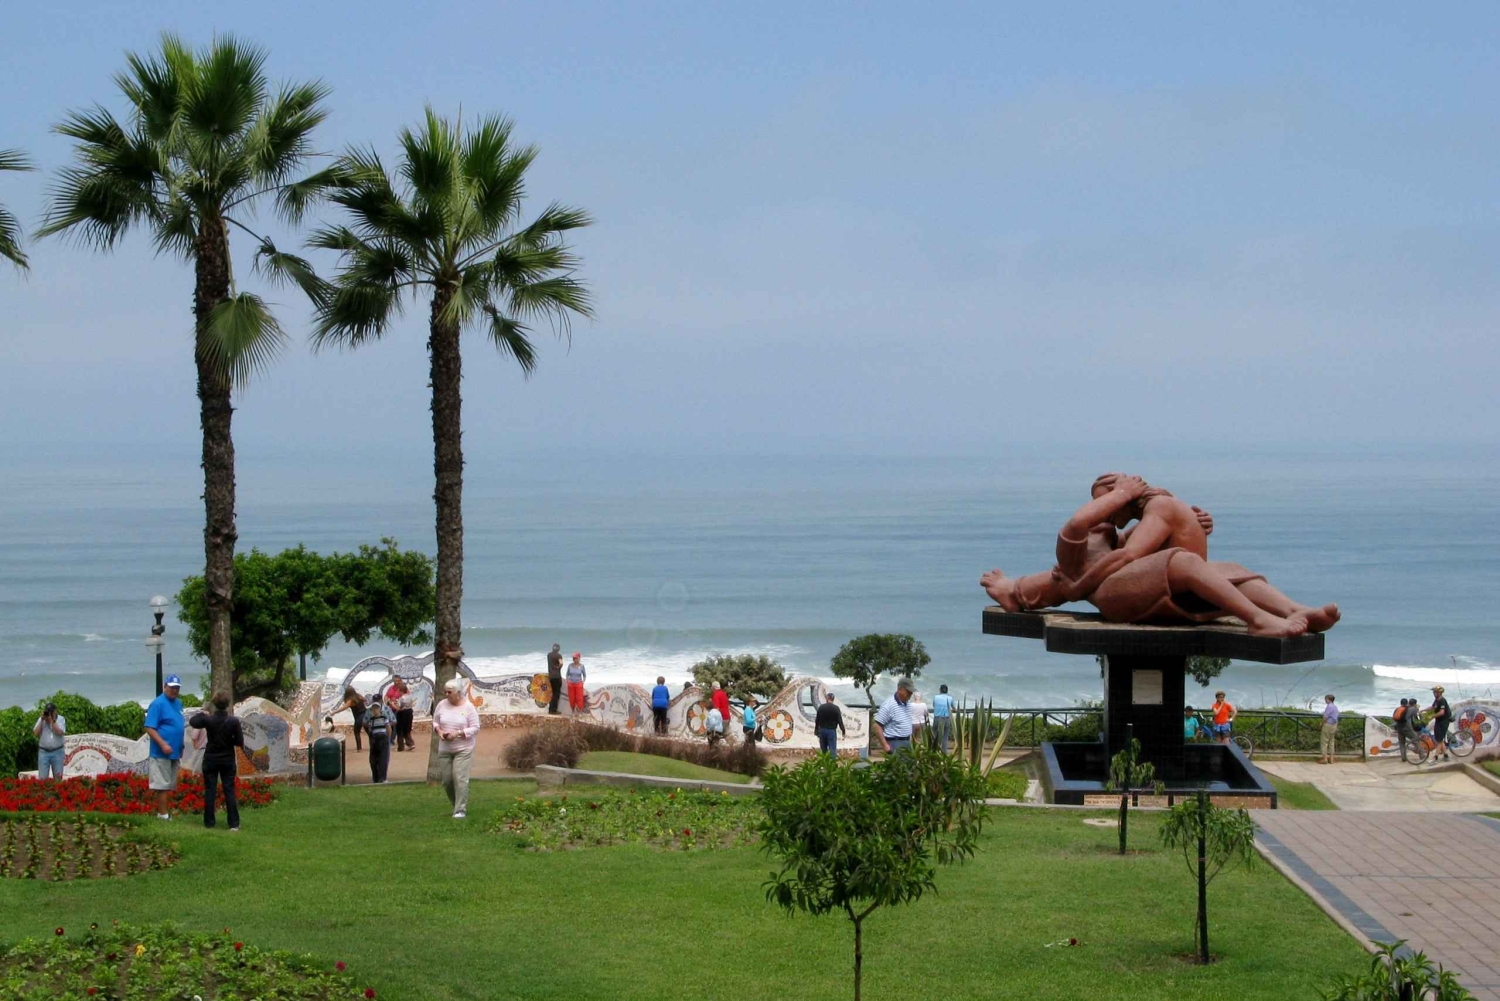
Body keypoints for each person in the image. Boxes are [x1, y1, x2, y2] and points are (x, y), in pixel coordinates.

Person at [981, 474, 1339, 638]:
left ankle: (1292, 609)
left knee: (1229, 570)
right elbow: (1082, 523)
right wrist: (1120, 493)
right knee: (1181, 562)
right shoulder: (1075, 541)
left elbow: (1142, 545)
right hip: (1114, 598)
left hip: (1129, 591)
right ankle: (1258, 619)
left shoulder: (1114, 538)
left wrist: (1192, 523)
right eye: (1103, 502)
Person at [189, 691, 244, 830]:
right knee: (229, 790)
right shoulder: (233, 721)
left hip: (211, 758)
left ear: (214, 704)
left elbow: (193, 721)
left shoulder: (209, 720)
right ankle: (234, 823)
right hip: (227, 759)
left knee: (210, 790)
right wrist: (228, 740)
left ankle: (209, 822)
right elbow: (239, 741)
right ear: (227, 704)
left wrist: (203, 713)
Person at [432, 678, 480, 818]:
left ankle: (460, 810)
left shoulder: (468, 707)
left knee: (460, 778)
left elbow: (476, 728)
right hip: (445, 748)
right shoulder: (441, 705)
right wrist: (440, 732)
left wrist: (459, 733)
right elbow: (435, 722)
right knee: (447, 780)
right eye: (445, 692)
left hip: (463, 748)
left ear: (458, 692)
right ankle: (456, 805)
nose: (447, 694)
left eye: (450, 692)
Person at [142, 675, 186, 820]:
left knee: (170, 783)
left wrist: (181, 745)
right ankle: (162, 814)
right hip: (161, 752)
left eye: (177, 688)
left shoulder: (178, 703)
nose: (174, 690)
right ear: (165, 686)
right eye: (172, 687)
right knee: (162, 784)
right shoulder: (158, 703)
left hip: (174, 751)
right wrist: (162, 743)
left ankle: (165, 810)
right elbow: (149, 727)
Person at [873, 678, 916, 755]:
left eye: (911, 692)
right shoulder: (889, 705)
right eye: (908, 691)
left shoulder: (908, 704)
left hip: (907, 742)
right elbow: (877, 726)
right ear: (900, 689)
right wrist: (885, 746)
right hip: (894, 743)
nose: (910, 694)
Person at [32, 702, 67, 780]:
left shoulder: (61, 719)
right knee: (42, 779)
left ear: (55, 711)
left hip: (57, 752)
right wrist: (42, 720)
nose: (49, 714)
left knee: (58, 778)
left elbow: (59, 732)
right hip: (44, 752)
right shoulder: (42, 720)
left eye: (51, 712)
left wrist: (52, 721)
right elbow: (35, 732)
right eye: (48, 712)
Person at [365, 693, 393, 783]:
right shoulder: (371, 719)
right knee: (373, 759)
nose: (375, 710)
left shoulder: (384, 716)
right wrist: (371, 736)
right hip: (374, 739)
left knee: (383, 759)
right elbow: (367, 726)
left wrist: (387, 738)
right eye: (374, 708)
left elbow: (389, 727)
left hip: (383, 738)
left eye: (376, 708)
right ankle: (375, 777)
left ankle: (382, 778)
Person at [336, 687, 368, 751]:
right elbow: (365, 699)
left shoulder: (350, 700)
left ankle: (359, 748)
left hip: (359, 716)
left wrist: (334, 712)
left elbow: (344, 707)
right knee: (369, 732)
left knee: (357, 732)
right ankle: (375, 746)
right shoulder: (358, 696)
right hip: (366, 715)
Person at [1426, 686, 1452, 762]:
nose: (1434, 693)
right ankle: (1446, 755)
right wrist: (1422, 710)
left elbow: (1441, 712)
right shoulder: (1437, 700)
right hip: (1438, 721)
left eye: (1435, 692)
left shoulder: (1442, 700)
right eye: (1434, 692)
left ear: (1439, 693)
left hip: (1444, 722)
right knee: (1439, 739)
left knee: (1440, 740)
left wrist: (1432, 716)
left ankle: (1435, 757)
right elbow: (1432, 707)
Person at [390, 677, 416, 751]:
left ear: (401, 691)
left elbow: (399, 708)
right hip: (409, 713)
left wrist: (392, 704)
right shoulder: (409, 697)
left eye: (398, 691)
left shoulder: (402, 698)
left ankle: (400, 747)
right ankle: (411, 744)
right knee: (407, 730)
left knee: (400, 730)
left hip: (402, 714)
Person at [931, 685, 955, 753]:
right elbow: (954, 708)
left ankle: (934, 751)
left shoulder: (936, 697)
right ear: (947, 691)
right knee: (945, 737)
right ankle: (944, 753)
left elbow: (934, 705)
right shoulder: (950, 698)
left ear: (940, 690)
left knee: (934, 735)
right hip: (946, 718)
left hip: (937, 718)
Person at [1320, 694, 1340, 764]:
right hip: (1334, 725)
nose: (1325, 700)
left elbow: (1325, 717)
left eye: (1325, 699)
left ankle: (1325, 759)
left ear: (1328, 699)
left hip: (1328, 725)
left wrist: (1321, 724)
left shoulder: (1329, 707)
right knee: (1331, 742)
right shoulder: (1335, 707)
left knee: (1324, 742)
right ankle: (1331, 759)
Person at [547, 643, 564, 715]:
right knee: (556, 694)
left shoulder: (549, 655)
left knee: (553, 693)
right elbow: (561, 663)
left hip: (551, 676)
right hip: (557, 676)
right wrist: (558, 667)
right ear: (558, 649)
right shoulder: (558, 655)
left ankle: (550, 709)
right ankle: (553, 710)